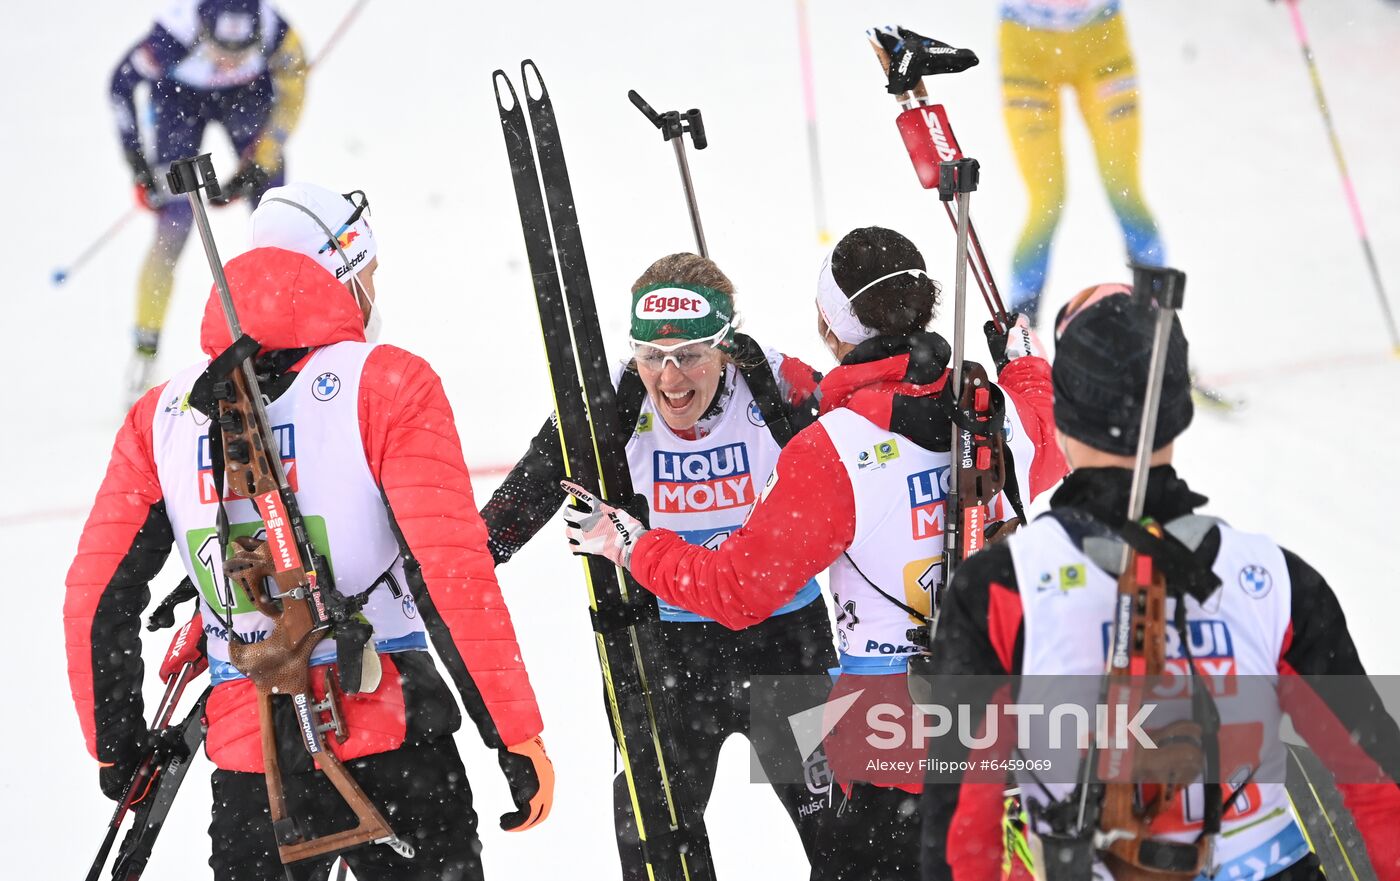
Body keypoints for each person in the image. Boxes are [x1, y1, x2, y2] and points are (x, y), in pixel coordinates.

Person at [64, 182, 553, 881]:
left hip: (250, 762)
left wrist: (117, 743)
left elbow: (93, 596)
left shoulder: (163, 414)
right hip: (397, 737)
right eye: (370, 275)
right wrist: (512, 732)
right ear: (344, 272)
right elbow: (451, 572)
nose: (374, 292)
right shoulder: (389, 383)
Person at [560, 227, 1068, 879]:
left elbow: (738, 589)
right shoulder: (997, 415)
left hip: (891, 754)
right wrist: (1024, 364)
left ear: (831, 330)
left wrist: (633, 546)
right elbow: (1049, 424)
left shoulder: (832, 452)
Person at [918, 284, 1400, 881]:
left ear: (1064, 412)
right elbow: (1379, 789)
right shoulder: (1276, 580)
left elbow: (963, 832)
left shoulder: (999, 588)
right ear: (1180, 408)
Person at [480, 251, 838, 879]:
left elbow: (865, 456)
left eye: (691, 355)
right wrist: (452, 569)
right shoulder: (614, 397)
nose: (670, 379)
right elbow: (522, 498)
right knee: (652, 845)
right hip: (664, 651)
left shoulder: (775, 382)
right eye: (652, 357)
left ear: (724, 346)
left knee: (843, 833)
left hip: (783, 640)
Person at [111, 0, 308, 401]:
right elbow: (120, 85)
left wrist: (264, 156)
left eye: (242, 51)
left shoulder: (275, 31)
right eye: (221, 49)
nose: (230, 61)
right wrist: (137, 161)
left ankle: (291, 343)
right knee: (175, 226)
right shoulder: (170, 38)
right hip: (180, 99)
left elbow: (294, 87)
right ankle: (145, 351)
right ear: (202, 31)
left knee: (274, 210)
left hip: (249, 96)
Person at [999, 0, 1165, 325]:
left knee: (1123, 189)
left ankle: (1164, 325)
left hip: (1101, 40)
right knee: (1046, 201)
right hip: (1026, 46)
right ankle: (1020, 343)